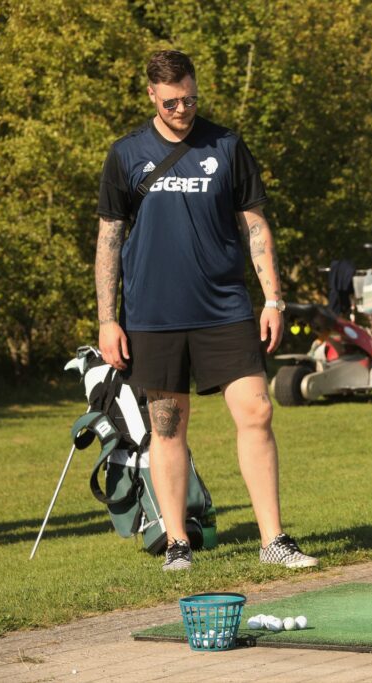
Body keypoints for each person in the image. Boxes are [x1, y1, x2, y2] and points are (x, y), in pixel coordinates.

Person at [95, 50, 316, 572]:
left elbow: (256, 226)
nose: (182, 109)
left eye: (190, 98)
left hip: (225, 308)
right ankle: (177, 543)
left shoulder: (227, 145)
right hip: (153, 314)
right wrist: (108, 318)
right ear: (151, 94)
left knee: (258, 411)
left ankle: (274, 539)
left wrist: (274, 299)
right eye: (171, 101)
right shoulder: (125, 154)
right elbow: (109, 238)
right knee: (167, 426)